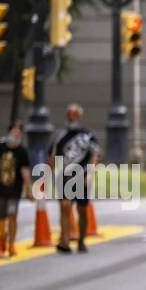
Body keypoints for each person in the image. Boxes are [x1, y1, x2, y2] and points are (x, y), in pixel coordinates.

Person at [50, 104, 100, 254]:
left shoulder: (87, 135)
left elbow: (95, 155)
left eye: (75, 115)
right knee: (65, 206)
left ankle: (81, 240)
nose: (72, 117)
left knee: (82, 210)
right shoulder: (60, 135)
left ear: (80, 117)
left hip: (82, 175)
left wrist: (90, 174)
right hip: (65, 175)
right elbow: (53, 157)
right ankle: (64, 240)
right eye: (69, 114)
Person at [0, 121, 31, 256]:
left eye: (18, 132)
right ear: (9, 132)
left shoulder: (22, 151)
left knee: (12, 215)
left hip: (14, 190)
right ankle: (2, 238)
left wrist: (28, 188)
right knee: (0, 215)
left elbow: (25, 171)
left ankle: (11, 244)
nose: (16, 134)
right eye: (14, 131)